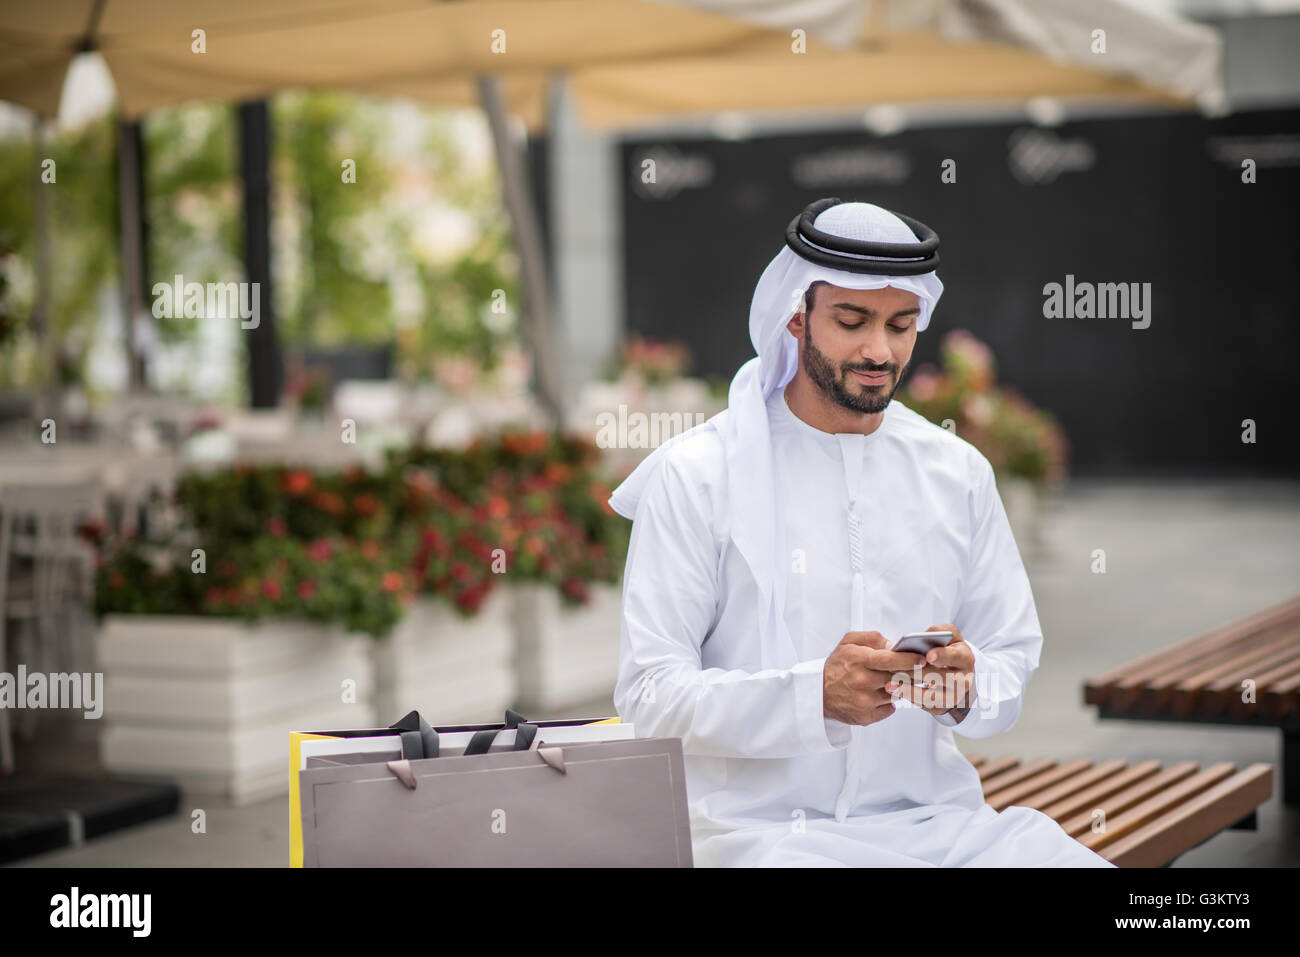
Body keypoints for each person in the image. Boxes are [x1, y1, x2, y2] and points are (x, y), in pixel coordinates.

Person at [608, 198, 1114, 867]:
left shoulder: (955, 471)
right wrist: (811, 694)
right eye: (852, 321)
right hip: (756, 836)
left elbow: (1009, 660)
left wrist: (965, 687)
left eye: (902, 325)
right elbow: (650, 695)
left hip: (936, 825)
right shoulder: (699, 474)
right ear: (796, 315)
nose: (880, 350)